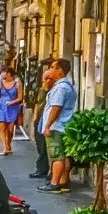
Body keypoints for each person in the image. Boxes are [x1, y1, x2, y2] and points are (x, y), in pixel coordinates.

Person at [39, 58, 78, 194]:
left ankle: (54, 182)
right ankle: (63, 181)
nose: (50, 71)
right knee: (64, 155)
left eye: (53, 68)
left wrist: (47, 126)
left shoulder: (60, 88)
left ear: (60, 71)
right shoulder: (68, 86)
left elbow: (56, 107)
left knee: (56, 155)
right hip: (65, 125)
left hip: (57, 126)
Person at [30, 65, 56, 179]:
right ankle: (42, 168)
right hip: (39, 119)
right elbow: (36, 103)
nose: (48, 81)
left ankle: (44, 170)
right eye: (46, 78)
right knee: (40, 145)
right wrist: (35, 118)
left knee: (46, 147)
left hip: (48, 120)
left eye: (50, 78)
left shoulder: (54, 91)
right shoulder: (40, 90)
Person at [0, 67, 24, 155]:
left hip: (12, 107)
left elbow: (20, 98)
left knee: (10, 130)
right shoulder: (0, 84)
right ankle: (5, 148)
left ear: (9, 73)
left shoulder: (18, 84)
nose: (1, 74)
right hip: (1, 107)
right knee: (2, 127)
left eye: (2, 72)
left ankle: (8, 145)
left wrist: (12, 102)